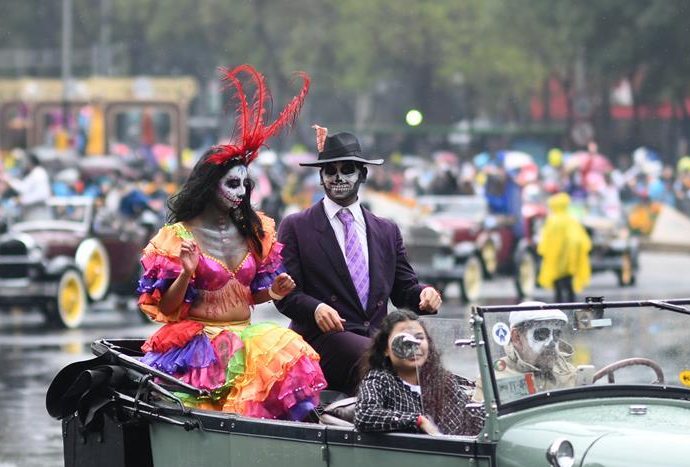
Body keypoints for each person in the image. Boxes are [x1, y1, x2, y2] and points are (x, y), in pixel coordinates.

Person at [137, 64, 325, 420]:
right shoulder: (176, 238)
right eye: (232, 184)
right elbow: (166, 310)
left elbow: (252, 293)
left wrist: (275, 292)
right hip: (199, 350)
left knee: (287, 351)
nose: (241, 193)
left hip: (247, 339)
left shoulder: (257, 233)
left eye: (244, 185)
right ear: (209, 186)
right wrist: (184, 274)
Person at [275, 128, 442, 394]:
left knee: (430, 366)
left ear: (363, 175)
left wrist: (426, 294)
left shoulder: (386, 230)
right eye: (330, 171)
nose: (338, 177)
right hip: (322, 342)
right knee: (391, 362)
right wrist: (316, 309)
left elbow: (404, 291)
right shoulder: (296, 226)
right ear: (321, 177)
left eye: (348, 169)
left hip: (377, 341)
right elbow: (285, 295)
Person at [355, 310, 485, 436]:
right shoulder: (380, 380)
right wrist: (417, 421)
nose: (414, 345)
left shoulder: (443, 380)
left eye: (419, 338)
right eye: (404, 340)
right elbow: (365, 415)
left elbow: (472, 420)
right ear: (385, 349)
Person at [492, 303, 576, 396]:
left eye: (556, 334)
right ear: (517, 338)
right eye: (541, 334)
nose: (551, 344)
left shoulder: (568, 372)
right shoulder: (494, 378)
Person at [536, 192, 592, 303]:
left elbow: (544, 241)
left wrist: (544, 252)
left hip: (554, 260)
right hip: (568, 261)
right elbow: (579, 240)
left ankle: (558, 307)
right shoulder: (570, 220)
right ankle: (571, 307)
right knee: (568, 285)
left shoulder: (552, 220)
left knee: (557, 286)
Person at [9, 152, 52, 220]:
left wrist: (22, 200)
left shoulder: (38, 173)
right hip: (35, 211)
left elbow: (40, 195)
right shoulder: (36, 173)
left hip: (38, 212)